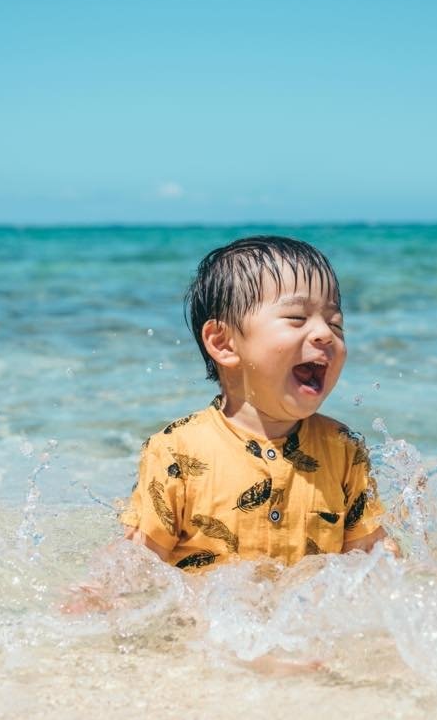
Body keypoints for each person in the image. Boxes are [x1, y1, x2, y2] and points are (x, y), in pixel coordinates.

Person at [119, 235, 397, 568]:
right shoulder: (176, 451)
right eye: (297, 317)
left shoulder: (343, 451)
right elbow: (134, 564)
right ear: (224, 343)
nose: (325, 333)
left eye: (335, 323)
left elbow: (371, 559)